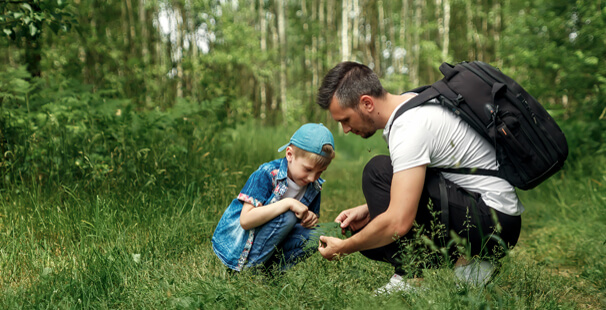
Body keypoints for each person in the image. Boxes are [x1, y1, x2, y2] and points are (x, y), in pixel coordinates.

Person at [315, 61, 523, 293]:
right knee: (370, 225)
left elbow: (398, 222)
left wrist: (344, 247)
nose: (344, 129)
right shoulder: (415, 101)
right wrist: (368, 209)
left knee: (377, 172)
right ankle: (473, 265)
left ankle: (411, 277)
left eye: (345, 119)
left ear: (366, 103)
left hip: (493, 221)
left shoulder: (409, 126)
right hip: (495, 216)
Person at [212, 123, 335, 272]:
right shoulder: (267, 173)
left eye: (320, 172)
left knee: (318, 235)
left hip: (274, 240)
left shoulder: (314, 185)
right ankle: (250, 271)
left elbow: (308, 219)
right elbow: (245, 221)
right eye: (308, 169)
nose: (312, 177)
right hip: (245, 245)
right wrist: (288, 203)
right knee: (287, 215)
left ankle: (272, 270)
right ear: (289, 154)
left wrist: (310, 218)